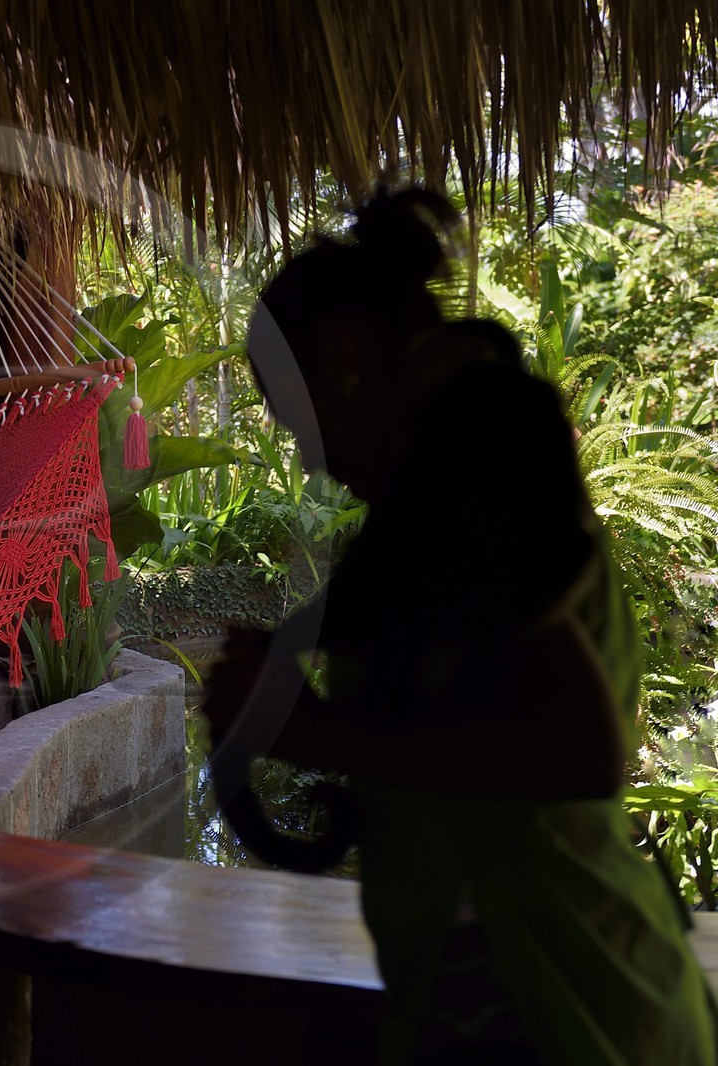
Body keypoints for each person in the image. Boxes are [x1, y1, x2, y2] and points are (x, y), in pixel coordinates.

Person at [201, 187, 717, 1063]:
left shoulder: (486, 479)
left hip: (567, 1002)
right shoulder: (448, 497)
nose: (312, 463)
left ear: (340, 356)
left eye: (299, 425)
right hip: (529, 993)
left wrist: (312, 731)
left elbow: (582, 750)